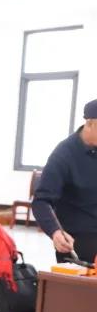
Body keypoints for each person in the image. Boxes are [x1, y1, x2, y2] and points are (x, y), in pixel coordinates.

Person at [32, 98, 97, 264]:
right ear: (90, 124)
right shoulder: (64, 155)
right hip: (79, 242)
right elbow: (41, 201)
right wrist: (55, 232)